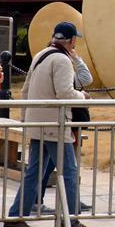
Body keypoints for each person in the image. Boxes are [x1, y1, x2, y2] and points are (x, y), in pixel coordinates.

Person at [2, 22, 94, 227]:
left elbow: (24, 91)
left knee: (34, 171)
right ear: (71, 41)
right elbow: (65, 93)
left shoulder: (41, 55)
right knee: (69, 172)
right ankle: (69, 220)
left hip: (38, 123)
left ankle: (15, 217)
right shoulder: (61, 60)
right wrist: (84, 96)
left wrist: (27, 121)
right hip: (55, 124)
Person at [35, 46, 94, 214]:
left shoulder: (53, 68)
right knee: (62, 165)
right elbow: (85, 78)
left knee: (52, 164)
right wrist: (77, 59)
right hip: (64, 124)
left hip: (61, 123)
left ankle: (70, 201)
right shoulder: (61, 69)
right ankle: (70, 209)